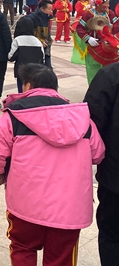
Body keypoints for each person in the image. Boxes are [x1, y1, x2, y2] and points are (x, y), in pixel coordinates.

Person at [0, 64, 104, 266]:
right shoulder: (82, 119)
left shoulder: (13, 116)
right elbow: (98, 154)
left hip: (25, 205)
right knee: (60, 257)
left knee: (23, 248)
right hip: (69, 210)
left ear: (28, 86)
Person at [84, 64, 119, 264]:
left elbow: (90, 125)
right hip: (113, 178)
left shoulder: (111, 75)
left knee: (112, 237)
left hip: (114, 178)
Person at [76, 0, 119, 84]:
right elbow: (79, 28)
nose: (108, 6)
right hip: (93, 47)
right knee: (93, 71)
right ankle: (94, 90)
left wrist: (111, 29)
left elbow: (117, 24)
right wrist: (88, 39)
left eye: (108, 3)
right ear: (98, 4)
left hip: (106, 47)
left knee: (108, 71)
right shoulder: (88, 14)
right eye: (105, 4)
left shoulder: (110, 13)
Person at [8, 17, 45, 92]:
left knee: (22, 92)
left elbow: (10, 57)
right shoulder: (37, 41)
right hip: (35, 72)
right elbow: (43, 59)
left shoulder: (17, 40)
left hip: (21, 72)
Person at [28, 0, 54, 69]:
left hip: (46, 48)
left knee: (48, 70)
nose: (51, 11)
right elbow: (29, 34)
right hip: (35, 49)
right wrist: (39, 41)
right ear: (42, 9)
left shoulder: (46, 18)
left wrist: (49, 40)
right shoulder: (31, 18)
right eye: (49, 9)